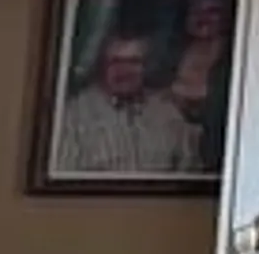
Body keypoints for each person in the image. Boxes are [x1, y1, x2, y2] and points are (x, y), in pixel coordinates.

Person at [55, 30, 200, 178]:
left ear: (147, 66)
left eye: (134, 62)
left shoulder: (167, 112)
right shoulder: (72, 117)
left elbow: (189, 172)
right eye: (115, 61)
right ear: (100, 66)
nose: (124, 70)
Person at [167, 0, 234, 165]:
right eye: (195, 10)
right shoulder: (167, 56)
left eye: (212, 11)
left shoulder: (233, 62)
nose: (202, 18)